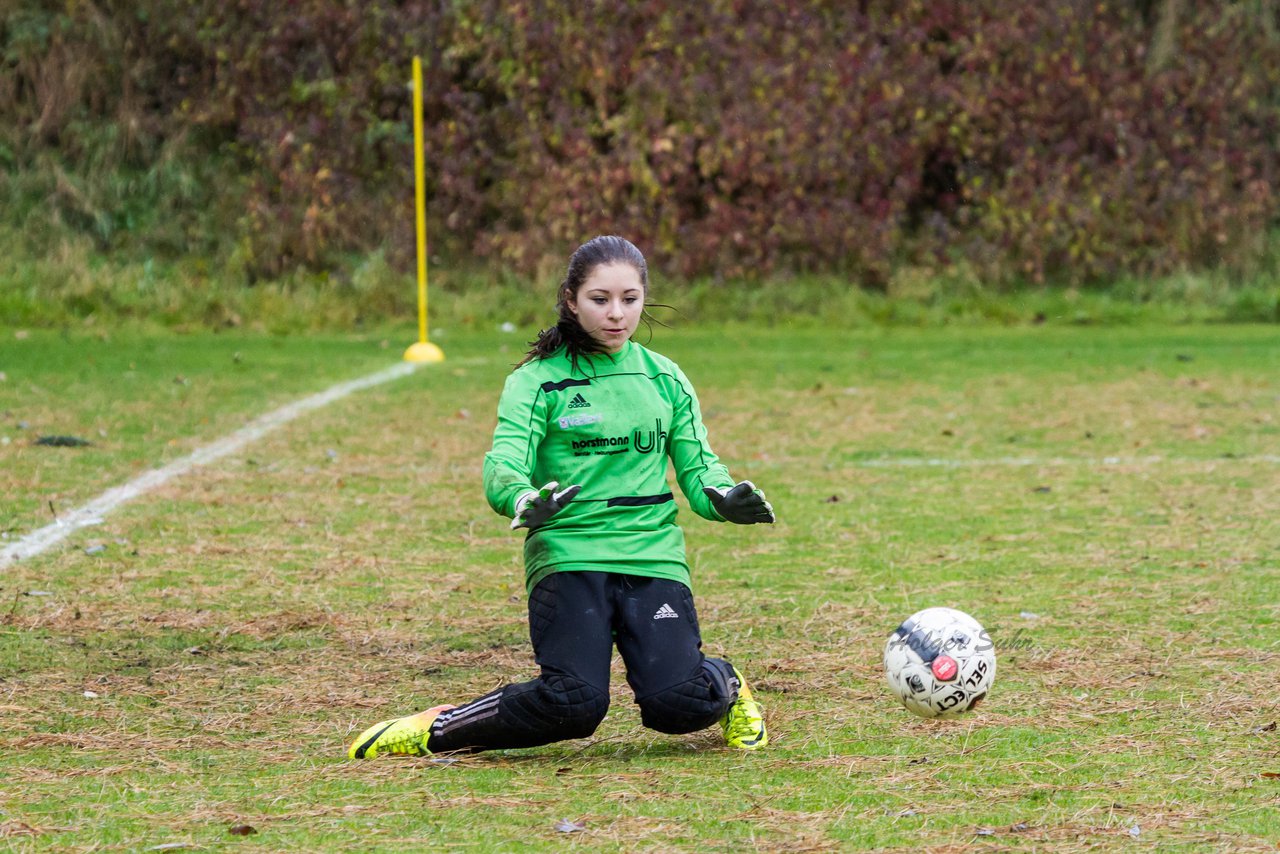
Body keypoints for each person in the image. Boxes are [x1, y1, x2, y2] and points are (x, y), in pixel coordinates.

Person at [348, 235, 775, 760]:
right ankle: (436, 729)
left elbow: (700, 469)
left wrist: (723, 498)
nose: (616, 314)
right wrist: (522, 498)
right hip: (568, 555)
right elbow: (503, 465)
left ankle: (725, 683)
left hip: (652, 556)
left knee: (678, 703)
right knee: (573, 703)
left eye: (630, 299)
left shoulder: (665, 378)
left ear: (644, 298)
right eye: (600, 299)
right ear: (572, 299)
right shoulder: (536, 381)